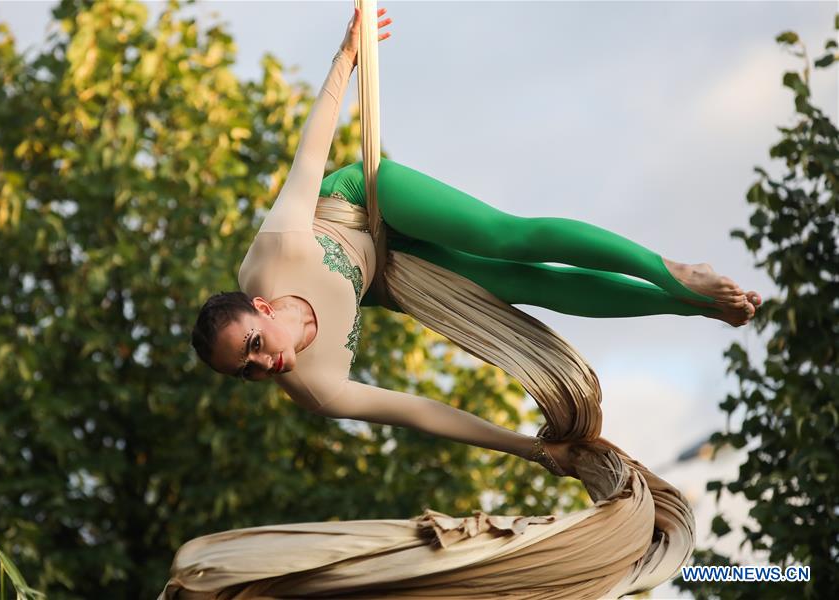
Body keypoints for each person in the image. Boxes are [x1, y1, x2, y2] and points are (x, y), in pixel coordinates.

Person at [190, 6, 761, 474]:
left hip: (359, 201)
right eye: (245, 372)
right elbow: (424, 414)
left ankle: (674, 271)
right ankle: (688, 305)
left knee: (504, 238)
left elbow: (309, 155)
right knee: (521, 286)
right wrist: (535, 450)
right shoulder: (315, 389)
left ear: (262, 307)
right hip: (383, 275)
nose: (262, 366)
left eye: (253, 346)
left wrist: (346, 57)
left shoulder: (277, 251)